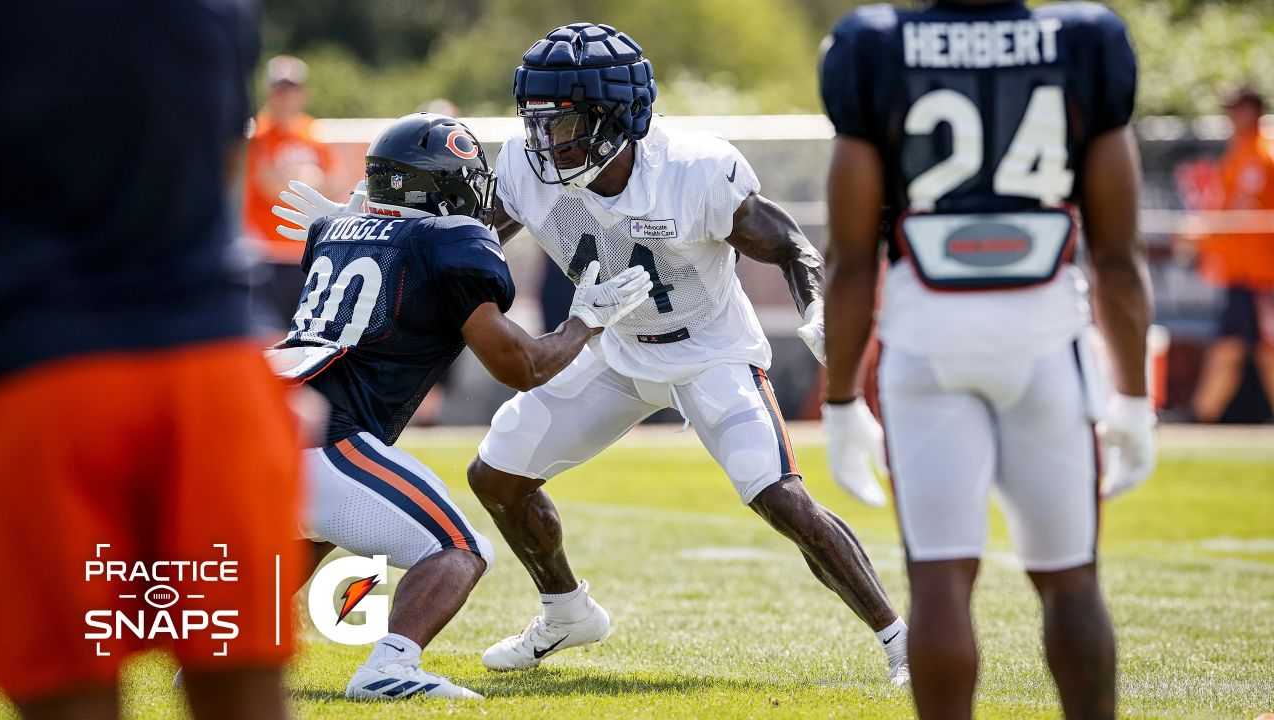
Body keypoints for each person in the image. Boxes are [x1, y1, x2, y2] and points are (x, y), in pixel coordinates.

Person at [466, 22, 912, 684]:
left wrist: (814, 309)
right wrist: (368, 224)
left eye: (562, 125)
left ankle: (901, 639)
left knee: (779, 496)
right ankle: (567, 611)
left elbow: (789, 244)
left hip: (710, 350)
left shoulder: (693, 169)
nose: (543, 143)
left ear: (616, 118)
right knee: (496, 476)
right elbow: (464, 238)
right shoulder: (527, 171)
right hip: (617, 348)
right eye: (536, 123)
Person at [819, 2, 1157, 718]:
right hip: (1044, 336)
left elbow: (850, 259)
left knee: (939, 579)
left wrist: (842, 401)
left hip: (926, 337)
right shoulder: (1082, 40)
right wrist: (1132, 394)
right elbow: (1118, 257)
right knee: (1071, 581)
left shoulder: (876, 44)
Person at [269, 113, 652, 700]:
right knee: (459, 549)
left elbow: (390, 254)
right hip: (325, 438)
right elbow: (520, 367)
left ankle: (217, 660)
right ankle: (390, 666)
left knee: (315, 532)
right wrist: (587, 321)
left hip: (265, 428)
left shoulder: (334, 231)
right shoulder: (450, 242)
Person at [0, 1, 304, 719]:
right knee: (245, 689)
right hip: (212, 367)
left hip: (43, 375)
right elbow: (227, 153)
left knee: (68, 697)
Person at [1188, 87, 1274, 422]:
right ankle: (1202, 416)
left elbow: (1243, 212)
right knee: (1231, 347)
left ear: (1252, 110)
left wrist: (1207, 233)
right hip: (1242, 274)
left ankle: (1201, 415)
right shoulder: (1239, 152)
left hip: (1263, 276)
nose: (1229, 117)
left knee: (1261, 351)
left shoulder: (1262, 154)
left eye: (1236, 109)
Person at [243, 55, 336, 331]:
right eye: (279, 89)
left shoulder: (313, 134)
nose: (285, 97)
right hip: (267, 253)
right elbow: (269, 186)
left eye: (291, 89)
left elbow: (331, 185)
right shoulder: (258, 134)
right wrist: (307, 177)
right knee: (267, 335)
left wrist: (294, 178)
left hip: (305, 254)